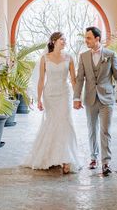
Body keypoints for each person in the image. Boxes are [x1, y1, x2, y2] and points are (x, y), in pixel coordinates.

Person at [22, 32, 81, 174]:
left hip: (64, 94)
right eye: (62, 39)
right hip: (50, 94)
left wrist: (77, 97)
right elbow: (41, 80)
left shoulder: (69, 58)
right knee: (52, 123)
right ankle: (50, 157)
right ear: (54, 41)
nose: (65, 42)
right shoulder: (44, 58)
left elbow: (73, 80)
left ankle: (66, 159)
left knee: (65, 123)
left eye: (65, 40)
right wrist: (39, 98)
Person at [73, 26, 117, 176]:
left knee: (105, 130)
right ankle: (93, 157)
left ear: (97, 39)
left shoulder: (110, 54)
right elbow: (80, 79)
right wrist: (76, 98)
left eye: (88, 38)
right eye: (85, 38)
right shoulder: (83, 56)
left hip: (107, 98)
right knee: (91, 129)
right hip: (90, 98)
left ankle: (106, 162)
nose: (86, 40)